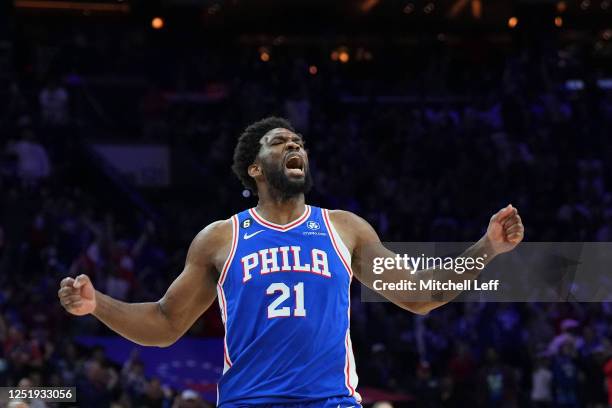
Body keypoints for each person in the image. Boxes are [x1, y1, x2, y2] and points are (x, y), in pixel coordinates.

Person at [58, 117, 524, 407]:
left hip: (330, 402)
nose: (295, 147)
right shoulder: (221, 238)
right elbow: (164, 322)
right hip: (249, 401)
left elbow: (422, 296)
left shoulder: (345, 228)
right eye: (280, 142)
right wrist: (96, 304)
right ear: (256, 169)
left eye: (298, 142)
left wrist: (487, 247)